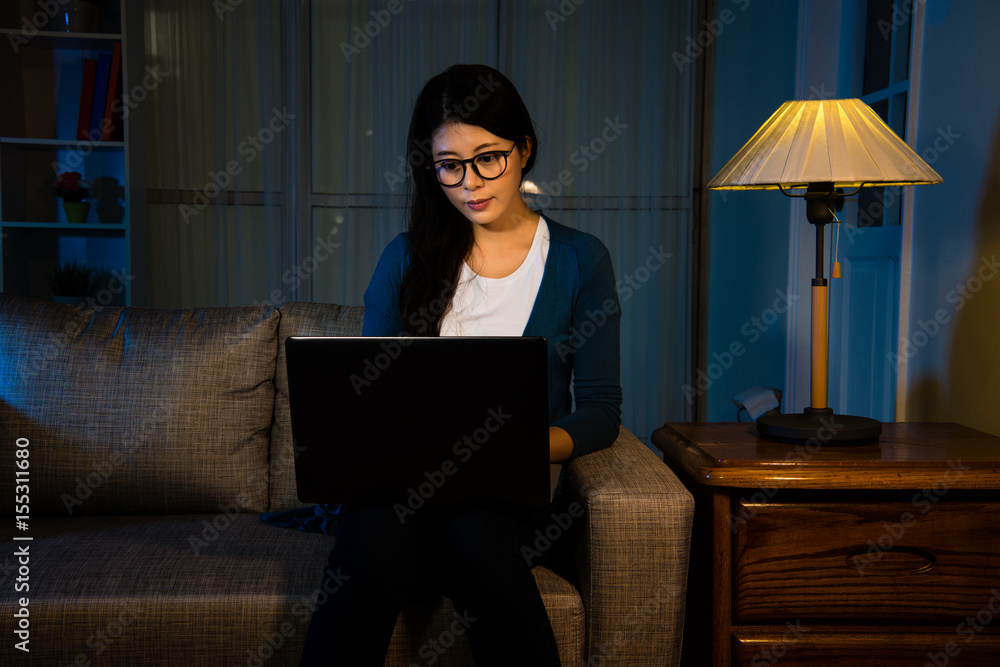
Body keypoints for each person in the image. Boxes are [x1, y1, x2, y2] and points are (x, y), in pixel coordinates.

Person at [299, 63, 622, 666]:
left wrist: (516, 447)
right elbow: (370, 402)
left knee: (475, 530)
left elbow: (602, 411)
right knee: (374, 534)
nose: (471, 182)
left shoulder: (581, 260)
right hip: (404, 490)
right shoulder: (405, 259)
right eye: (450, 164)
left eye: (488, 157)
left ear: (524, 150)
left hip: (505, 494)